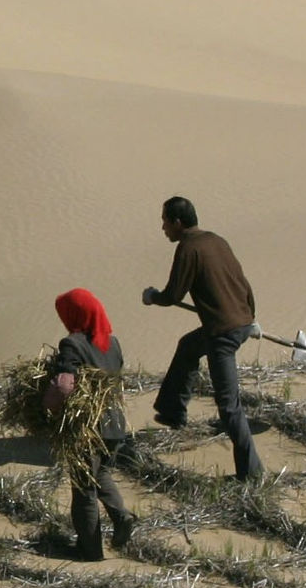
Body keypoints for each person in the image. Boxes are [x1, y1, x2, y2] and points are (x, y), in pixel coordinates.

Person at [140, 195, 264, 482]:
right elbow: (243, 283)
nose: (163, 228)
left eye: (165, 222)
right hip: (239, 322)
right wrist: (251, 318)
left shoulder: (188, 248)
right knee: (188, 347)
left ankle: (251, 473)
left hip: (223, 333)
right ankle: (172, 412)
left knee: (229, 406)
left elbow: (173, 295)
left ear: (178, 222)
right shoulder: (217, 241)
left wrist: (152, 297)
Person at [45, 288, 136, 560]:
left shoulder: (71, 344)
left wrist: (47, 407)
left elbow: (65, 385)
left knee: (83, 487)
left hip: (88, 428)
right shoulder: (113, 342)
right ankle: (122, 517)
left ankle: (90, 550)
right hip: (116, 424)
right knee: (102, 475)